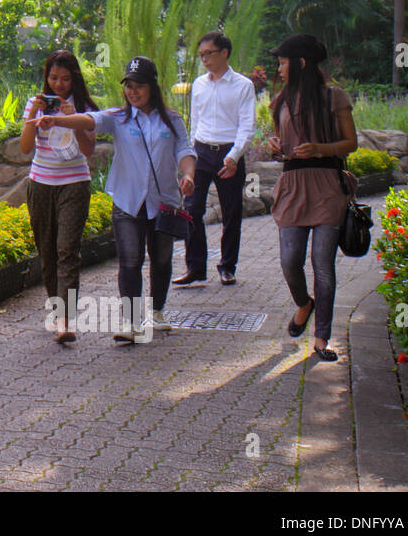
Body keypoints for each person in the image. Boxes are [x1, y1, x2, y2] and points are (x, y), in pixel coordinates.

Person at [37, 56, 196, 344]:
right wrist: (56, 118)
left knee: (160, 258)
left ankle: (157, 311)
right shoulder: (119, 118)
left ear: (152, 87)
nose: (133, 92)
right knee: (130, 260)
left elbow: (184, 150)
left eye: (139, 86)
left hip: (163, 201)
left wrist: (188, 175)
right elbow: (89, 120)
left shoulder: (172, 120)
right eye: (129, 86)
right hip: (127, 200)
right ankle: (132, 322)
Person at [268, 34, 357, 362]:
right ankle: (304, 304)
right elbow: (279, 141)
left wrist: (321, 148)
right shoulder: (280, 101)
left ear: (300, 63)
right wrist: (275, 147)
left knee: (323, 264)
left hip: (327, 188)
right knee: (289, 261)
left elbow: (351, 143)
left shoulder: (334, 96)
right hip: (292, 187)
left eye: (282, 62)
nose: (278, 68)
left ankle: (321, 339)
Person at [17, 50, 98, 344]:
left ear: (74, 77)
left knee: (67, 250)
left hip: (74, 185)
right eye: (53, 78)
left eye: (65, 79)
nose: (59, 84)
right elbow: (26, 148)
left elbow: (89, 150)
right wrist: (32, 117)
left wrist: (69, 119)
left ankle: (66, 320)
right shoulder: (35, 105)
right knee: (47, 251)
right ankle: (56, 309)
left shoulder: (84, 107)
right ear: (46, 77)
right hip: (40, 185)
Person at [175, 31, 256, 287]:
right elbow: (195, 122)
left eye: (209, 53)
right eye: (201, 55)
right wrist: (189, 152)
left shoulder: (243, 85)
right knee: (192, 209)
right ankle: (196, 267)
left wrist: (234, 156)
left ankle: (227, 267)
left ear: (224, 53)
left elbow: (247, 126)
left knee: (231, 212)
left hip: (229, 152)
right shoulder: (199, 84)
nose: (205, 59)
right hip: (201, 152)